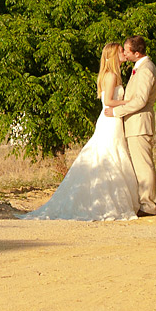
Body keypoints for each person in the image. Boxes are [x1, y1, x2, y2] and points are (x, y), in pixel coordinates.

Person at [22, 43, 141, 221]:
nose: (124, 53)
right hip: (110, 120)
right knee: (108, 156)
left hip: (113, 121)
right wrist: (128, 102)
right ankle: (104, 202)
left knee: (114, 154)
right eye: (120, 51)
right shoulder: (110, 76)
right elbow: (108, 101)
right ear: (113, 55)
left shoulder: (114, 75)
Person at [110, 35, 156, 215]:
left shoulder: (146, 69)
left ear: (137, 53)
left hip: (140, 123)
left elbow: (140, 100)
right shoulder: (140, 68)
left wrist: (116, 112)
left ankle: (148, 205)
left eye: (126, 50)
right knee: (140, 164)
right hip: (135, 123)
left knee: (143, 164)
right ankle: (144, 202)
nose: (123, 52)